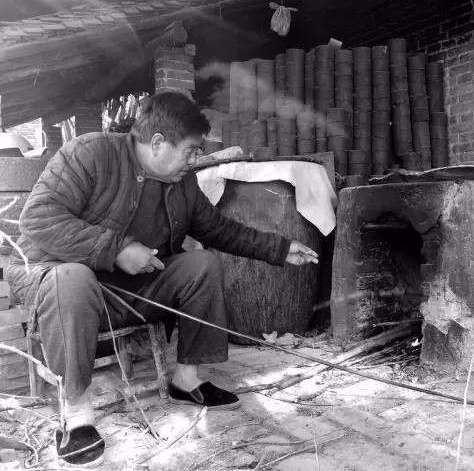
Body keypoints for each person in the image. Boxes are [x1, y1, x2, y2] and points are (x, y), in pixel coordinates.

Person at [6, 92, 319, 467]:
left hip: (128, 287)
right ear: (157, 143)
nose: (195, 160)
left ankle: (187, 380)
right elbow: (38, 219)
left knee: (202, 263)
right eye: (190, 151)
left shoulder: (182, 182)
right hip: (58, 279)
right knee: (71, 277)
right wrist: (117, 248)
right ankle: (75, 414)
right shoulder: (89, 154)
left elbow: (217, 229)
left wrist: (278, 248)